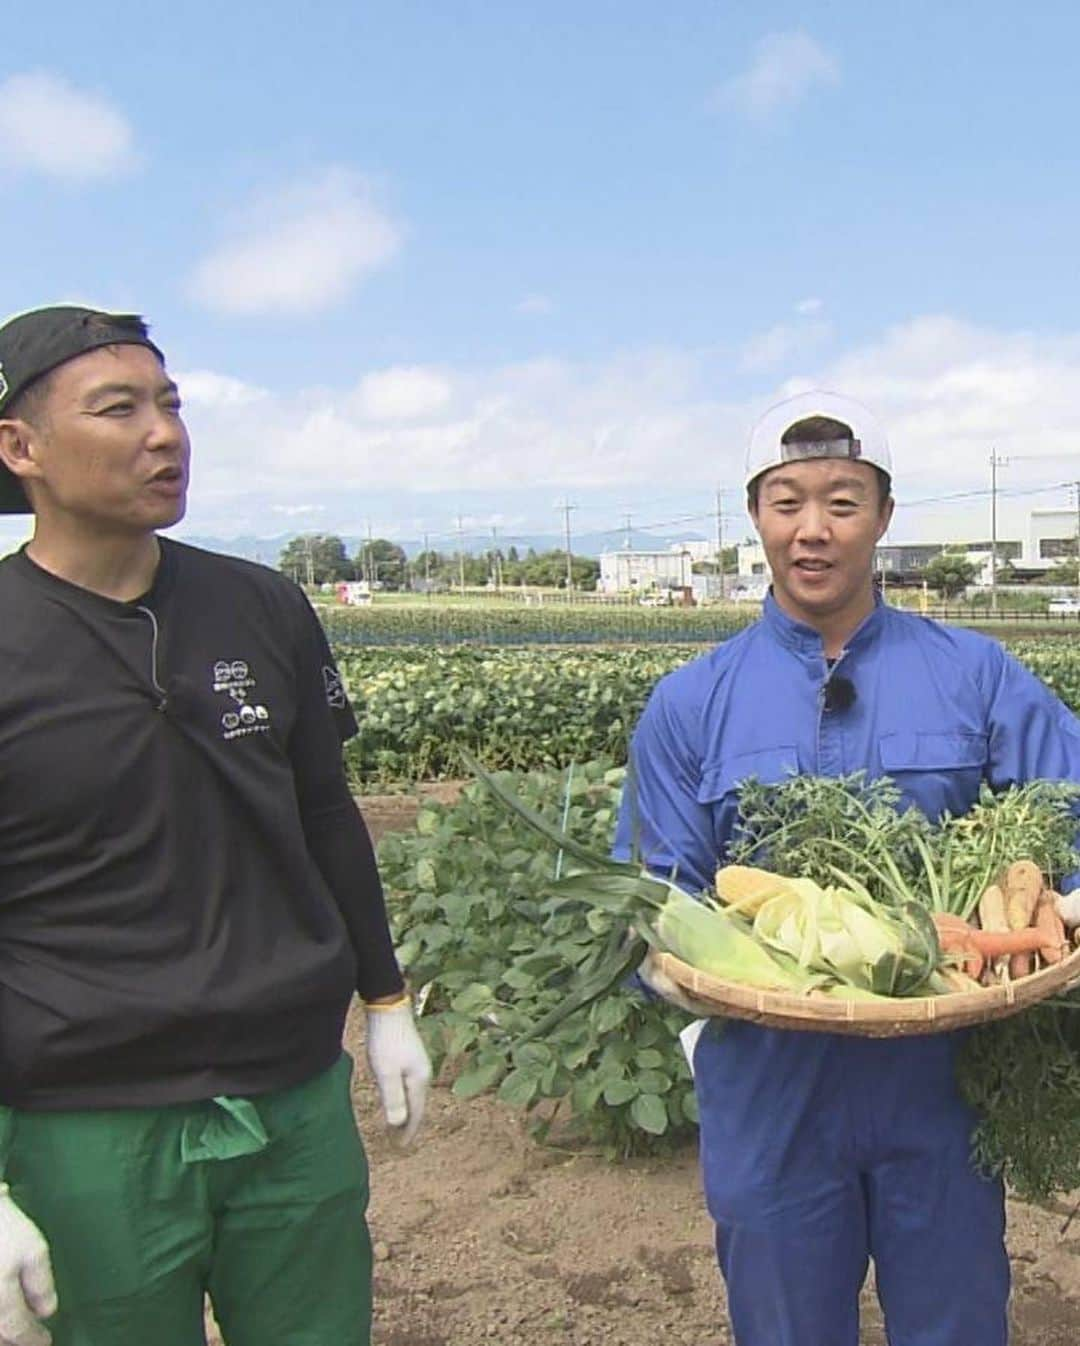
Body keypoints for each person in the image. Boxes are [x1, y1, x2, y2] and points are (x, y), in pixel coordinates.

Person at [0, 305, 431, 1346]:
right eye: (120, 408)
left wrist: (384, 997)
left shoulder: (264, 605)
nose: (165, 433)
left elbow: (326, 811)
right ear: (21, 448)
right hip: (83, 1121)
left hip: (289, 1093)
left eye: (171, 403)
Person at [614, 390, 1080, 1346]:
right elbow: (654, 897)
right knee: (784, 1327)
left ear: (884, 516)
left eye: (842, 501)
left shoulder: (975, 674)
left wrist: (1062, 905)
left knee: (953, 1323)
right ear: (755, 517)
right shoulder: (691, 704)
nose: (812, 531)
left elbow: (1069, 808)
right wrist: (692, 1005)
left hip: (943, 1075)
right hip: (770, 1080)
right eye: (786, 503)